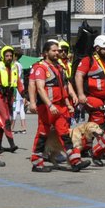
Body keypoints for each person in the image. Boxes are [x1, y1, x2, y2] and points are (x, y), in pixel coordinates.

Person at [28, 38, 89, 172]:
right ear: (45, 53)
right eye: (54, 51)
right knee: (42, 134)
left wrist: (68, 103)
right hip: (47, 107)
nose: (57, 53)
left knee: (65, 134)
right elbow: (39, 88)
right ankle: (37, 163)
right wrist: (49, 105)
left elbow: (63, 87)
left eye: (58, 50)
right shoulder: (40, 68)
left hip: (60, 106)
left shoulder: (59, 67)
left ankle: (74, 161)